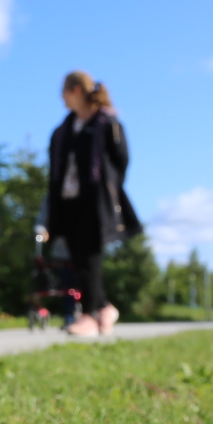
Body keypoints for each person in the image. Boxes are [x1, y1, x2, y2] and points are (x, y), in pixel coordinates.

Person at [45, 70, 139, 337]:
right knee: (78, 258)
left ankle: (89, 314)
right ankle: (104, 308)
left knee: (90, 257)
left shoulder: (108, 123)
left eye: (63, 92)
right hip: (67, 200)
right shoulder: (63, 130)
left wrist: (107, 188)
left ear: (75, 90)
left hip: (95, 201)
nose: (61, 99)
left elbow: (121, 160)